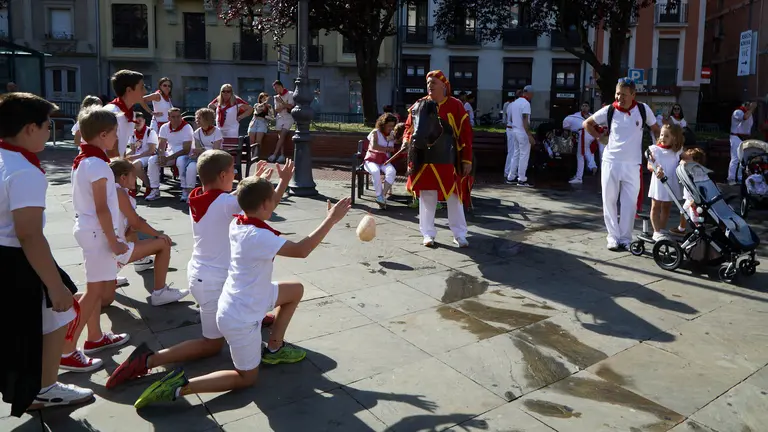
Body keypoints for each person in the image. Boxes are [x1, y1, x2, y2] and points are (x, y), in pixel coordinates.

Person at [131, 175, 352, 410]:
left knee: (295, 290)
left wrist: (280, 181)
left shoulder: (238, 222)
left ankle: (275, 347)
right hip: (242, 315)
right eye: (272, 201)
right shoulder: (259, 235)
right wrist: (331, 220)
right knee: (246, 377)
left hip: (248, 296)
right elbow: (302, 250)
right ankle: (180, 386)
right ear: (266, 204)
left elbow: (259, 203)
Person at [106, 152, 277, 390]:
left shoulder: (198, 195)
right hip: (214, 280)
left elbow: (233, 196)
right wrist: (266, 182)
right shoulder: (226, 203)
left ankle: (145, 360)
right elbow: (255, 203)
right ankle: (154, 362)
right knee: (211, 344)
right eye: (233, 172)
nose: (236, 176)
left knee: (215, 338)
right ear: (222, 175)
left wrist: (252, 179)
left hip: (201, 274)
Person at [0, 93, 93, 415]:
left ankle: (42, 382)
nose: (50, 131)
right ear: (29, 129)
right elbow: (28, 233)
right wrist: (53, 285)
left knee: (51, 317)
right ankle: (44, 388)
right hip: (17, 257)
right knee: (58, 309)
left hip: (10, 254)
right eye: (46, 125)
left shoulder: (4, 158)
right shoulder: (24, 172)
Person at [62, 107, 131, 372]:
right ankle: (68, 350)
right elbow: (102, 207)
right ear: (103, 134)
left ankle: (94, 337)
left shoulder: (85, 160)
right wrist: (113, 240)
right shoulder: (99, 165)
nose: (116, 137)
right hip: (97, 233)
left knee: (95, 287)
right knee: (93, 292)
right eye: (114, 133)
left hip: (89, 230)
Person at [584, 77, 660, 251]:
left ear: (633, 94)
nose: (620, 98)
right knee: (609, 201)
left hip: (633, 164)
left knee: (629, 203)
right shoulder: (609, 110)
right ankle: (612, 237)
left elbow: (655, 129)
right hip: (611, 162)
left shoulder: (643, 109)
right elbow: (587, 123)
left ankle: (625, 238)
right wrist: (599, 137)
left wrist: (657, 150)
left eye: (624, 95)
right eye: (618, 94)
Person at [403, 70, 472, 247]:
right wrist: (405, 140)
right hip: (425, 158)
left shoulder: (456, 105)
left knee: (454, 196)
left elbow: (465, 134)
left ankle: (459, 234)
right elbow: (409, 127)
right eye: (428, 83)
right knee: (427, 195)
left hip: (449, 159)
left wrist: (466, 159)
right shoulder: (419, 104)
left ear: (444, 85)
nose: (429, 86)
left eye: (433, 82)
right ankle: (427, 234)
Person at [110, 159, 189, 305]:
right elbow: (137, 222)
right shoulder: (118, 191)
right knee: (164, 243)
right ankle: (160, 293)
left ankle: (112, 275)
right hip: (113, 249)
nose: (137, 179)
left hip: (104, 247)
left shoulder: (106, 190)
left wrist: (133, 227)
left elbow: (131, 226)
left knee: (132, 231)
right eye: (134, 176)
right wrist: (158, 234)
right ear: (123, 177)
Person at [146, 108, 194, 201]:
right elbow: (161, 144)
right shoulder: (164, 127)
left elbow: (186, 149)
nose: (176, 119)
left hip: (184, 154)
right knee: (152, 160)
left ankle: (185, 190)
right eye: (173, 117)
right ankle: (155, 189)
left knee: (181, 161)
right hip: (170, 153)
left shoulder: (187, 127)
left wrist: (168, 158)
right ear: (169, 118)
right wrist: (161, 156)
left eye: (178, 116)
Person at [647, 124, 685, 241]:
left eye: (667, 136)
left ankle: (662, 229)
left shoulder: (677, 151)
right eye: (662, 134)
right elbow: (649, 164)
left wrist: (685, 162)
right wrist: (656, 168)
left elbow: (685, 158)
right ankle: (656, 231)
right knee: (655, 206)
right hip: (659, 181)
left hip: (671, 180)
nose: (662, 137)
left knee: (667, 206)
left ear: (674, 138)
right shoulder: (655, 149)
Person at [104, 70, 146, 158]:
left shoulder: (131, 114)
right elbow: (111, 154)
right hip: (100, 168)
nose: (145, 91)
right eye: (142, 87)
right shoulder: (112, 112)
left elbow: (122, 149)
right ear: (129, 90)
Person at [184, 108, 223, 199]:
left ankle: (208, 194)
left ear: (207, 119)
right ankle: (190, 195)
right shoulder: (197, 132)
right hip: (201, 158)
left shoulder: (217, 131)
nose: (196, 120)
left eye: (199, 118)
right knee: (191, 167)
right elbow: (197, 149)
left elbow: (216, 150)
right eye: (196, 118)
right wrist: (196, 152)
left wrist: (203, 150)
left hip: (215, 159)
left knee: (207, 169)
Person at [364, 113, 398, 207]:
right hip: (371, 159)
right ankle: (379, 195)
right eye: (389, 126)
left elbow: (394, 148)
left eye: (393, 126)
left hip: (384, 160)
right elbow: (375, 146)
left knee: (392, 171)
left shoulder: (392, 134)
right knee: (375, 172)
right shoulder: (375, 132)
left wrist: (394, 139)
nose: (391, 128)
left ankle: (382, 196)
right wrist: (387, 148)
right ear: (383, 124)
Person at [505, 85, 535, 187]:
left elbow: (513, 119)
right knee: (524, 155)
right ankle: (521, 179)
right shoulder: (526, 104)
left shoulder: (514, 103)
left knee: (516, 154)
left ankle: (511, 176)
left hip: (514, 130)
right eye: (532, 94)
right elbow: (525, 120)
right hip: (522, 132)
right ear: (529, 93)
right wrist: (529, 135)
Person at [672, 147, 706, 234]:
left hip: (694, 200)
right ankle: (681, 228)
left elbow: (700, 187)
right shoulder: (690, 171)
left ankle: (699, 231)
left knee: (695, 217)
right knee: (683, 211)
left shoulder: (697, 173)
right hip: (689, 198)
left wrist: (695, 200)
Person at [125, 112, 158, 197]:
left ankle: (148, 186)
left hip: (149, 156)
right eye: (136, 121)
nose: (138, 123)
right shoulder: (132, 133)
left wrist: (135, 156)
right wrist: (124, 156)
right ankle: (133, 186)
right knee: (123, 162)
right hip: (138, 156)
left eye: (140, 120)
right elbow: (132, 150)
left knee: (136, 164)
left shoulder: (150, 131)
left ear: (144, 121)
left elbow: (151, 150)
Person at [563, 102, 597, 184]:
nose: (585, 107)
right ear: (581, 107)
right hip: (583, 134)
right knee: (584, 152)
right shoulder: (576, 116)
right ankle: (588, 169)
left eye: (586, 106)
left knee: (582, 154)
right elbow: (566, 124)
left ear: (589, 108)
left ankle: (588, 169)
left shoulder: (593, 116)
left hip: (589, 134)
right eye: (583, 106)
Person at [727, 101, 757, 185]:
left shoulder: (749, 113)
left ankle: (740, 178)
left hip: (745, 138)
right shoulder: (738, 112)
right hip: (736, 137)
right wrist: (752, 108)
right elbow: (745, 117)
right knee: (735, 158)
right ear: (746, 105)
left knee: (742, 159)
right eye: (749, 106)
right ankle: (731, 178)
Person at [268, 80, 295, 163]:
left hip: (288, 117)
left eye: (276, 88)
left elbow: (291, 106)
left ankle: (274, 154)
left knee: (282, 134)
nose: (275, 90)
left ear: (281, 86)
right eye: (274, 89)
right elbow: (277, 109)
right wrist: (284, 105)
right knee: (280, 137)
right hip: (280, 117)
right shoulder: (276, 97)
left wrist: (282, 103)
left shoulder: (290, 94)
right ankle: (282, 155)